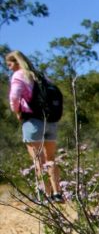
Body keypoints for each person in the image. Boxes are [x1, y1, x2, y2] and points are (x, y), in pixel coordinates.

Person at [6, 50, 63, 203]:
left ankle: (44, 195)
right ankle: (57, 193)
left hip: (32, 121)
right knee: (51, 159)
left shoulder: (19, 75)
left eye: (10, 64)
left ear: (17, 62)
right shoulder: (40, 75)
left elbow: (14, 96)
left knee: (38, 160)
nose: (9, 67)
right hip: (50, 121)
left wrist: (17, 110)